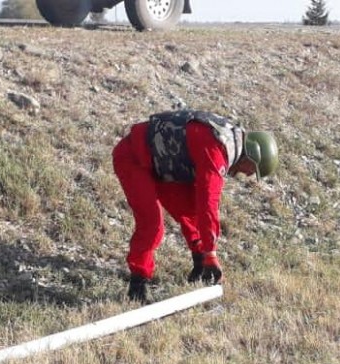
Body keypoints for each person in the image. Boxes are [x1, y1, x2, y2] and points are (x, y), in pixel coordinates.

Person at [112, 109, 279, 303]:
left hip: (162, 164)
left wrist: (203, 254)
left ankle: (198, 261)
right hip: (133, 158)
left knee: (189, 208)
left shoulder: (227, 139)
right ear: (250, 156)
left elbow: (199, 204)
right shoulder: (217, 152)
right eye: (252, 170)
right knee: (152, 225)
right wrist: (211, 253)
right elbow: (208, 202)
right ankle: (138, 284)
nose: (248, 175)